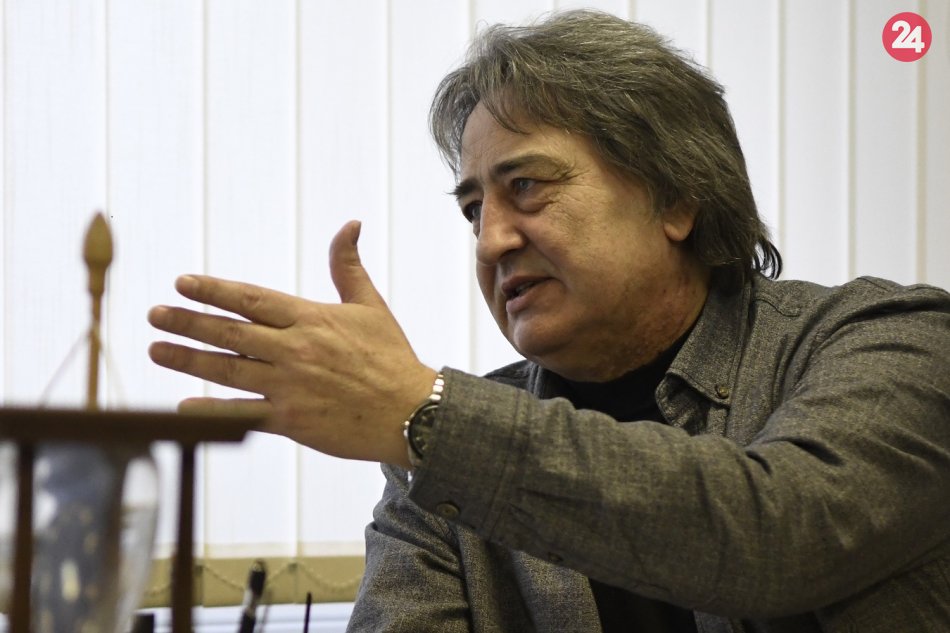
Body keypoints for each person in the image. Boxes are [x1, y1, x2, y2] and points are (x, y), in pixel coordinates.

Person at [148, 10, 950, 633]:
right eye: (473, 207)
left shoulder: (889, 338)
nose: (490, 239)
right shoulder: (430, 454)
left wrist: (431, 416)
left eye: (526, 186)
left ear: (676, 198)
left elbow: (779, 535)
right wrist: (428, 424)